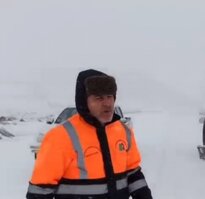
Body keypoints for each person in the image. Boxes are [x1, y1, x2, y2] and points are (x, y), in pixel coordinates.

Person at [26, 69, 152, 199]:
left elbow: (133, 174)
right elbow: (39, 191)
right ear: (84, 101)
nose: (107, 103)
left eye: (110, 96)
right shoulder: (61, 136)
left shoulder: (123, 131)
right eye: (99, 98)